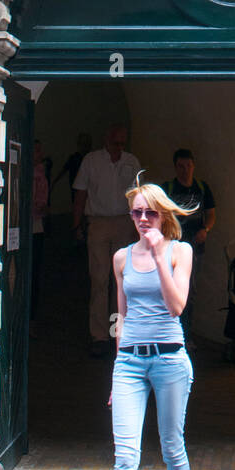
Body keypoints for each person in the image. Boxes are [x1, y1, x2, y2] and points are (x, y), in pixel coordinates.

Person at [92, 181, 194, 470]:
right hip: (131, 361)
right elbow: (121, 315)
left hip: (170, 358)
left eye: (150, 212)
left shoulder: (178, 251)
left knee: (172, 446)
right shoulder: (120, 258)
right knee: (125, 457)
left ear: (164, 215)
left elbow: (177, 306)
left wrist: (156, 253)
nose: (143, 220)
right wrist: (117, 371)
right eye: (136, 212)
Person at [72, 126, 141, 356]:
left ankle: (118, 333)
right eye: (115, 144)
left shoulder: (132, 161)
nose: (118, 148)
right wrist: (76, 222)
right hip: (99, 222)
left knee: (121, 281)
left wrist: (137, 226)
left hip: (123, 222)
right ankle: (99, 335)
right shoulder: (92, 161)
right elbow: (80, 192)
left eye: (122, 144)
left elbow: (138, 195)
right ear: (107, 141)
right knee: (100, 279)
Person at [161, 149, 216, 344]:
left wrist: (205, 230)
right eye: (181, 167)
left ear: (193, 166)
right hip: (171, 248)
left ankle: (184, 334)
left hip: (194, 249)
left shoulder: (202, 188)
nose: (185, 171)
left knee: (188, 292)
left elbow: (211, 214)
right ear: (175, 167)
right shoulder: (167, 189)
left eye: (188, 166)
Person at [30, 140, 50, 337]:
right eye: (36, 149)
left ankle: (31, 319)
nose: (39, 153)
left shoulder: (41, 173)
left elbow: (42, 201)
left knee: (34, 274)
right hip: (22, 227)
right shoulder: (24, 171)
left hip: (36, 226)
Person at [52, 132, 92, 200]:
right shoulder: (73, 158)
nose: (85, 146)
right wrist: (54, 181)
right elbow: (63, 170)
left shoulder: (91, 159)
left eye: (86, 144)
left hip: (89, 189)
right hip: (76, 189)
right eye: (83, 144)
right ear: (79, 145)